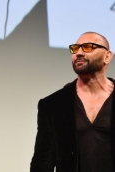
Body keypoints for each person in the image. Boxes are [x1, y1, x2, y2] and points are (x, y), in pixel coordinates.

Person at [30, 32, 115, 172]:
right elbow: (43, 161)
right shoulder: (53, 104)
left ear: (107, 56)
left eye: (88, 47)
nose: (78, 53)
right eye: (75, 48)